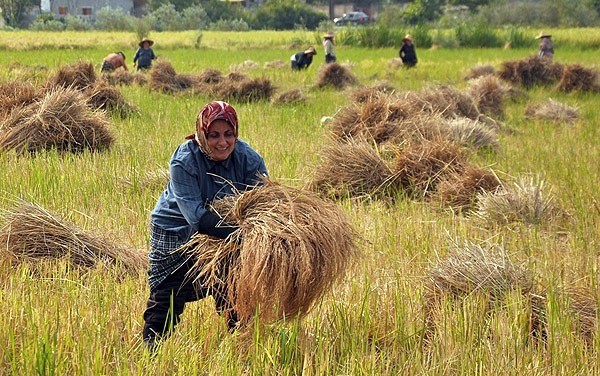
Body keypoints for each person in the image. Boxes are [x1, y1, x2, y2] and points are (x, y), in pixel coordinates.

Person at [142, 101, 268, 351]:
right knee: (169, 294)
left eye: (228, 134)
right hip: (176, 229)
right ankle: (150, 351)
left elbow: (265, 202)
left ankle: (240, 346)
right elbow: (196, 217)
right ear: (201, 134)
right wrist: (243, 235)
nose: (222, 143)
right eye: (214, 135)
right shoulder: (185, 160)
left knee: (233, 286)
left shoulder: (248, 159)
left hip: (226, 231)